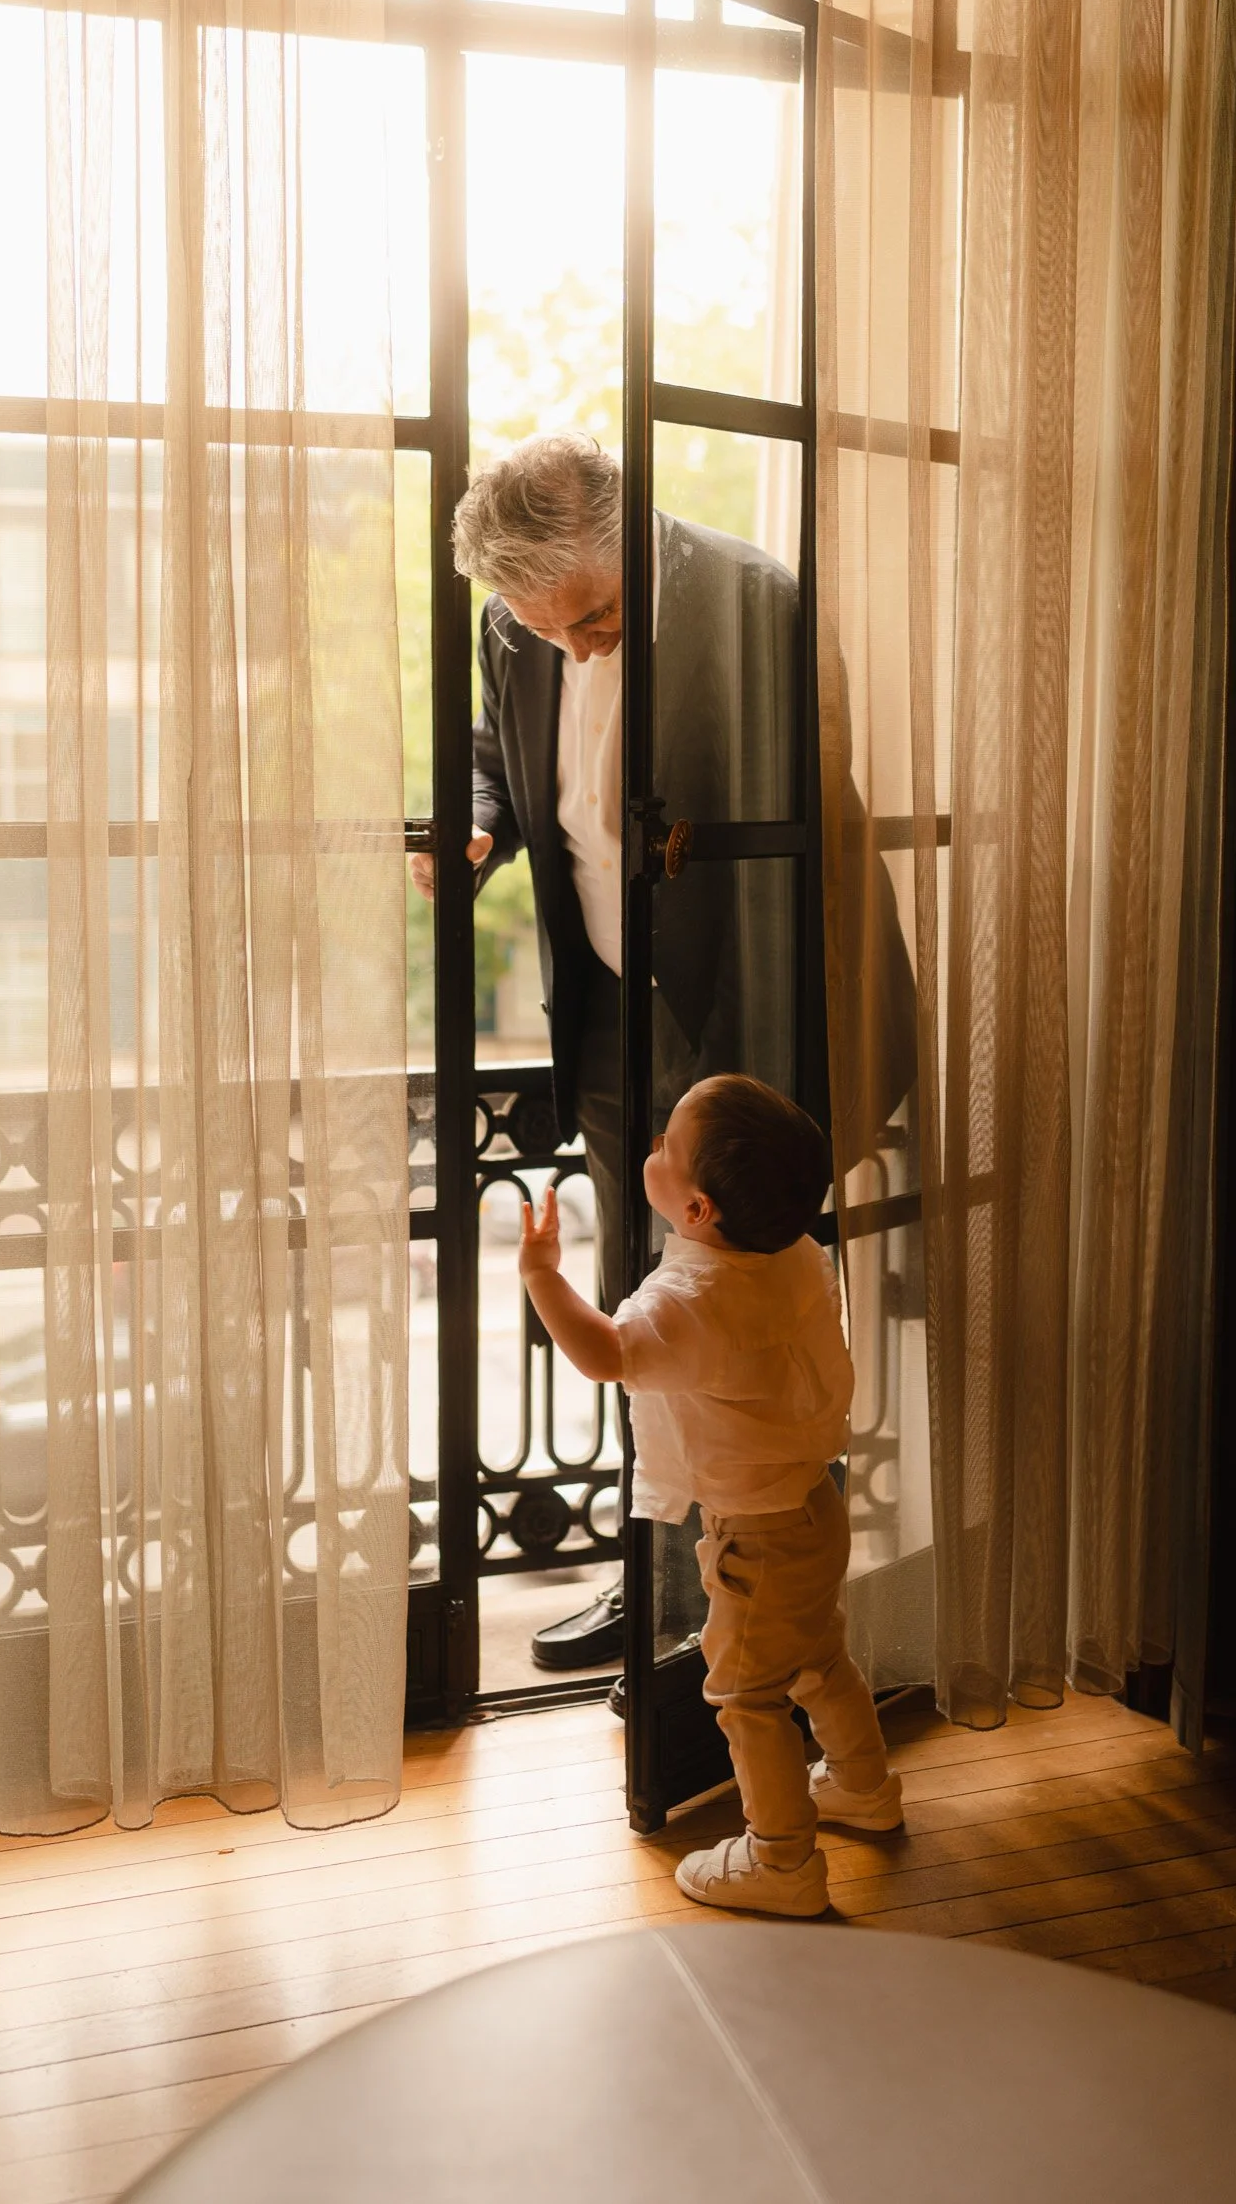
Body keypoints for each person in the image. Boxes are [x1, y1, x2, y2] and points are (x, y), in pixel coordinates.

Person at [412, 432, 800, 1672]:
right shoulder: (520, 630)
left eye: (594, 620)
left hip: (737, 1006)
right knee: (640, 1299)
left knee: (748, 1306)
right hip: (605, 1015)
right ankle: (661, 1598)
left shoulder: (752, 601)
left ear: (632, 533)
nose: (573, 647)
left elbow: (810, 813)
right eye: (549, 630)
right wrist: (473, 827)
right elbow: (497, 754)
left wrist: (774, 1038)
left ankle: (767, 1611)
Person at [517, 1071, 904, 1917]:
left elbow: (608, 1354)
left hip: (756, 1537)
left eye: (664, 1145)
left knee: (744, 1696)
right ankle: (861, 1786)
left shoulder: (693, 1303)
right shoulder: (792, 1253)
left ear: (696, 1210)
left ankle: (783, 1862)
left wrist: (544, 1273)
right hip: (812, 1503)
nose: (651, 1145)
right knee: (817, 1658)